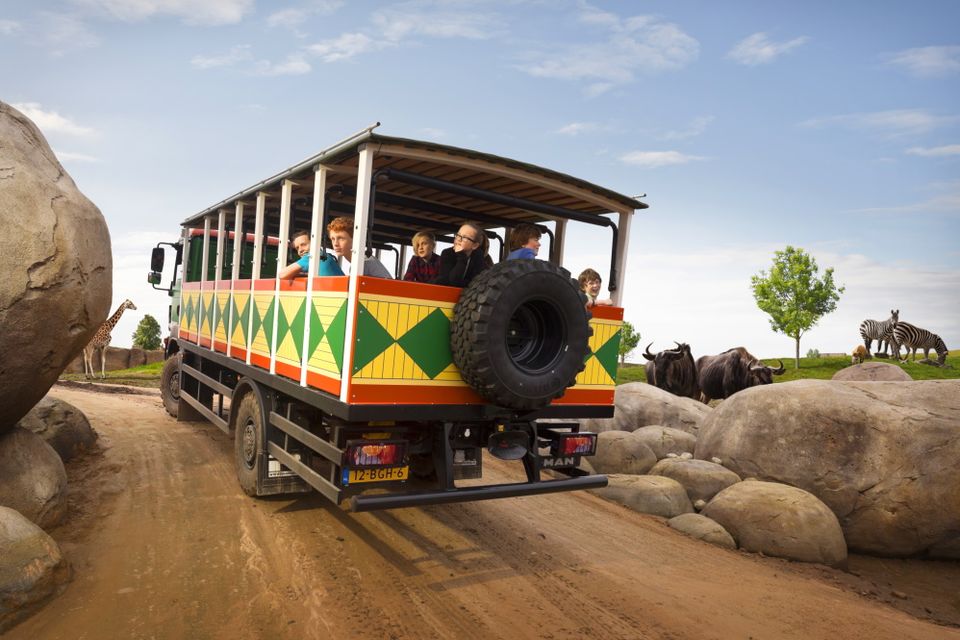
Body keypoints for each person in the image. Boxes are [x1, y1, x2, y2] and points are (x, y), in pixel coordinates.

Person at [326, 216, 392, 279]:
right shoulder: (360, 262)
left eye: (341, 238)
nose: (335, 244)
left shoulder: (363, 264)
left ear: (354, 240)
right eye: (333, 239)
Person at [431, 222, 489, 287]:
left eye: (465, 238)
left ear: (475, 245)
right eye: (458, 235)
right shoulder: (447, 253)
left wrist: (465, 283)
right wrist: (462, 257)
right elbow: (451, 281)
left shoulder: (478, 255)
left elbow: (478, 282)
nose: (459, 239)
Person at [278, 229, 344, 281]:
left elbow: (282, 275)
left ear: (314, 243)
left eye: (303, 245)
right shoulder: (326, 255)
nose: (300, 250)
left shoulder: (313, 255)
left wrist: (296, 274)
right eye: (297, 248)